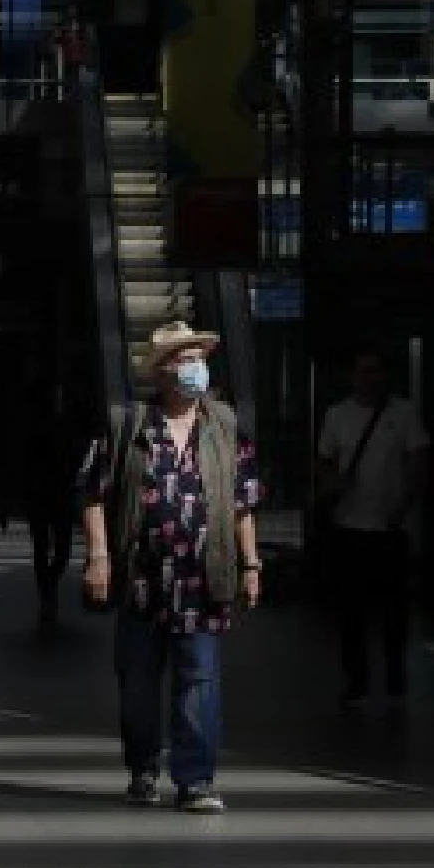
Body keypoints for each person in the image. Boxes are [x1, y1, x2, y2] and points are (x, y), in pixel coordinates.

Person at [80, 321, 264, 814]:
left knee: (199, 679)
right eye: (183, 359)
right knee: (138, 682)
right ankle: (143, 770)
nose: (194, 367)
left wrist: (252, 563)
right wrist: (99, 557)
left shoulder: (224, 425)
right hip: (142, 576)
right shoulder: (128, 424)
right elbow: (93, 494)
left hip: (205, 576)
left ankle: (195, 779)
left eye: (197, 357)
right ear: (161, 371)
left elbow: (244, 500)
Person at [316, 347, 428, 707]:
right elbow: (324, 461)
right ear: (353, 376)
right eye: (363, 370)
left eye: (375, 370)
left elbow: (418, 461)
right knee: (352, 611)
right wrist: (332, 484)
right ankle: (357, 680)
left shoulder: (404, 413)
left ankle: (394, 672)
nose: (370, 378)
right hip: (350, 524)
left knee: (394, 610)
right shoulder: (337, 416)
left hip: (390, 527)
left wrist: (404, 505)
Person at [23, 381, 86, 630]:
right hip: (40, 494)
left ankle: (49, 585)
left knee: (62, 550)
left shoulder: (72, 426)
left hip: (61, 494)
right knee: (42, 546)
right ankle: (46, 595)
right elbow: (25, 460)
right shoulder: (35, 425)